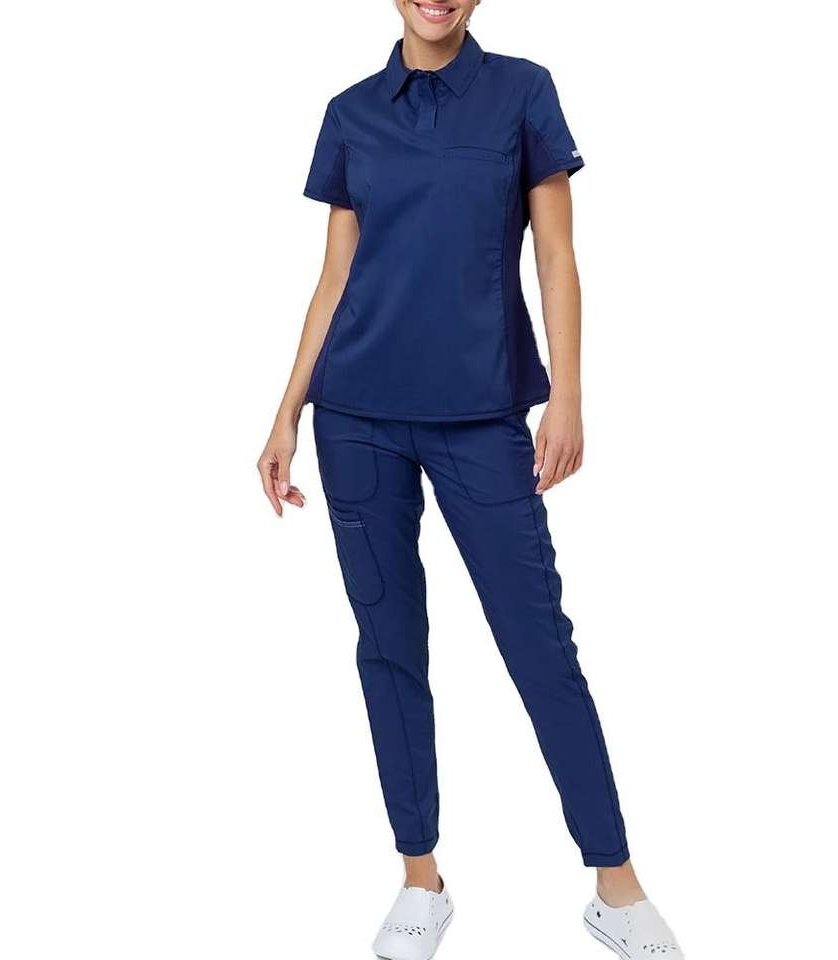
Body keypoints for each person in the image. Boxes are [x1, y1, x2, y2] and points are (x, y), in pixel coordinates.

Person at [257, 3, 684, 958]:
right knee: (389, 646)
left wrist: (566, 394)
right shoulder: (351, 112)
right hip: (356, 416)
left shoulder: (523, 93)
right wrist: (287, 410)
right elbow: (335, 276)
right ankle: (421, 879)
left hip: (482, 415)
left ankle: (615, 885)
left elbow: (557, 255)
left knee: (540, 646)